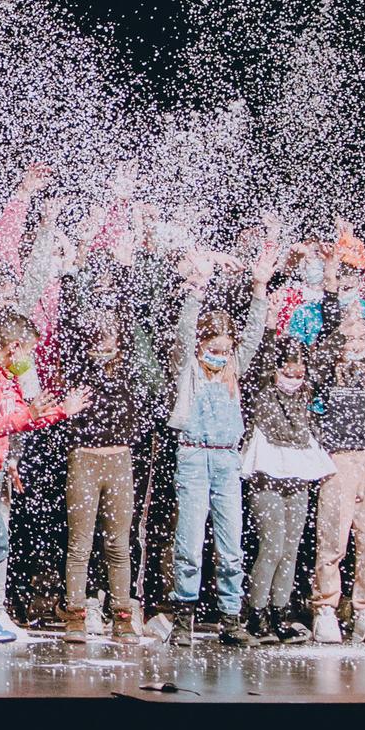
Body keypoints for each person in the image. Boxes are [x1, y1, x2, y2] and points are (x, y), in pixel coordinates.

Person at [152, 231, 278, 647]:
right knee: (188, 540)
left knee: (231, 543)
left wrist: (260, 290)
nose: (221, 353)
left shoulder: (232, 371)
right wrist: (198, 288)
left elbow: (256, 335)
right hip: (193, 457)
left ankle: (230, 617)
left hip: (226, 462)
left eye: (226, 347)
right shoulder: (187, 366)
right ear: (202, 344)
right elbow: (185, 331)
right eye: (214, 346)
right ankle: (183, 614)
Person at [0, 309, 88, 642]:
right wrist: (26, 416)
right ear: (15, 346)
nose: (30, 360)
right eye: (29, 352)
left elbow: (19, 418)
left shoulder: (3, 375)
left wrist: (61, 411)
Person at [56, 267, 165, 639]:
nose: (103, 343)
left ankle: (122, 614)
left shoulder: (130, 369)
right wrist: (74, 274)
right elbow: (68, 328)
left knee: (119, 544)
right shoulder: (77, 368)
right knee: (80, 544)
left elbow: (135, 327)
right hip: (85, 459)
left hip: (119, 460)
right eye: (96, 336)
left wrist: (123, 272)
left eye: (110, 336)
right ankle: (75, 613)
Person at [308, 295, 365, 644]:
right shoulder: (327, 370)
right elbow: (316, 364)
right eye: (350, 339)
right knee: (333, 537)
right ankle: (326, 607)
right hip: (341, 458)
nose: (357, 344)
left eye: (361, 338)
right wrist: (339, 334)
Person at [240, 333, 335, 643]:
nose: (293, 379)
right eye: (287, 372)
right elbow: (261, 361)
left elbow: (322, 360)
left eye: (298, 374)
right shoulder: (263, 392)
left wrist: (341, 323)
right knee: (273, 545)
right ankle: (257, 613)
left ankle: (280, 612)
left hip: (298, 470)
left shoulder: (304, 395)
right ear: (275, 370)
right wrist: (267, 331)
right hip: (268, 471)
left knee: (291, 548)